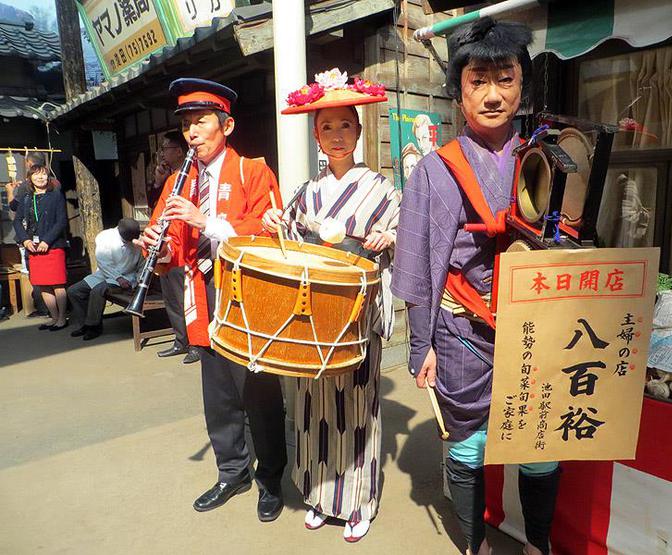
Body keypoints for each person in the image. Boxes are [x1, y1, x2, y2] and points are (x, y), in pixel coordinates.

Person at [392, 21, 560, 555]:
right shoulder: (435, 172)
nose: (492, 95)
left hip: (538, 328)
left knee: (539, 445)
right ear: (459, 90)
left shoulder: (549, 159)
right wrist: (421, 347)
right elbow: (420, 268)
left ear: (523, 88)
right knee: (469, 446)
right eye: (477, 80)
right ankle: (474, 546)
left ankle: (538, 544)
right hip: (463, 332)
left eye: (505, 79)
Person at [134, 78, 287, 520]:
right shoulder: (179, 180)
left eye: (201, 122)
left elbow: (271, 230)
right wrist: (157, 247)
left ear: (227, 125)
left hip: (246, 295)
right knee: (218, 394)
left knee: (258, 392)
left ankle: (270, 478)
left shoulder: (251, 171)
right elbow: (169, 246)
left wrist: (210, 221)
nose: (192, 133)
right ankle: (232, 471)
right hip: (200, 292)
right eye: (186, 125)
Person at [263, 68, 400, 543]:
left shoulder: (383, 190)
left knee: (357, 406)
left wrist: (389, 238)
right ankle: (320, 495)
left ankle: (360, 500)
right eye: (327, 127)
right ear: (316, 136)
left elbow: (401, 238)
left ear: (360, 131)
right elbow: (289, 243)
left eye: (345, 125)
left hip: (355, 313)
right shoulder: (306, 192)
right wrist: (275, 222)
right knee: (310, 406)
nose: (337, 136)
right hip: (311, 317)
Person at [150, 131, 199, 364]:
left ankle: (196, 344)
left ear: (179, 151)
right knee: (171, 298)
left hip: (187, 247)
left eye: (165, 148)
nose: (162, 153)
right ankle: (181, 340)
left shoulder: (197, 176)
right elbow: (159, 211)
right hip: (167, 247)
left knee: (187, 299)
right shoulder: (171, 180)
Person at [13, 164, 68, 331]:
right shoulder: (27, 198)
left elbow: (61, 221)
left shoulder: (56, 195)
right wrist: (25, 241)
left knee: (58, 284)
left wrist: (47, 241)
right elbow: (17, 221)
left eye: (43, 174)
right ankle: (53, 316)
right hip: (34, 247)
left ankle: (62, 318)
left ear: (48, 177)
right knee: (43, 284)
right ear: (30, 178)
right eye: (36, 175)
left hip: (53, 246)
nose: (40, 178)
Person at [67, 218, 142, 340]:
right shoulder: (106, 237)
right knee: (74, 291)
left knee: (98, 290)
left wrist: (138, 280)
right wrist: (118, 278)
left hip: (128, 277)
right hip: (106, 273)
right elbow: (103, 262)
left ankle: (94, 326)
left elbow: (141, 265)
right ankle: (85, 323)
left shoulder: (137, 242)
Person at [6, 151, 60, 318]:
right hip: (45, 238)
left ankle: (46, 310)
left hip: (41, 238)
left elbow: (14, 207)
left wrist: (9, 191)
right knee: (50, 278)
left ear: (29, 165)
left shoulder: (29, 186)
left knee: (41, 277)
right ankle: (54, 312)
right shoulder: (56, 183)